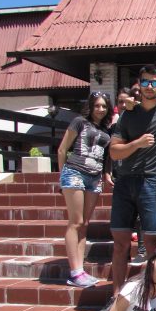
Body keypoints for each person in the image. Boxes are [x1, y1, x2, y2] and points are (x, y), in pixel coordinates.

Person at [100, 65, 156, 311]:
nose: (150, 87)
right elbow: (114, 151)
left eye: (155, 83)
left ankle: (152, 298)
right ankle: (117, 298)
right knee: (120, 244)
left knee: (151, 245)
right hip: (124, 183)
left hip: (151, 182)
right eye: (146, 83)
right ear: (139, 85)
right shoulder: (128, 114)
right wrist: (137, 143)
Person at [57, 91, 113, 288]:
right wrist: (61, 176)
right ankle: (74, 272)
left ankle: (80, 270)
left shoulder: (106, 129)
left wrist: (106, 174)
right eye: (97, 105)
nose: (100, 109)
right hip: (75, 171)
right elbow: (62, 149)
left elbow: (107, 156)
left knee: (85, 223)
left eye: (104, 106)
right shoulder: (79, 122)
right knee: (76, 222)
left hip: (94, 177)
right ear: (90, 106)